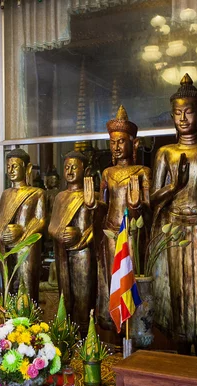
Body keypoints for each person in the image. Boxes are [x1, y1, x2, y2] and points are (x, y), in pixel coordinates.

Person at [151, 74, 197, 357]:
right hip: (172, 226)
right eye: (178, 113)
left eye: (189, 111)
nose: (183, 118)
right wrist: (174, 187)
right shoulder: (165, 153)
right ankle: (181, 349)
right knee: (178, 288)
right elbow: (152, 200)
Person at [84, 105, 151, 330]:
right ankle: (113, 325)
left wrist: (137, 205)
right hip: (110, 230)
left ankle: (134, 327)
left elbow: (149, 205)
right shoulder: (107, 173)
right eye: (112, 142)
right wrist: (94, 204)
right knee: (111, 279)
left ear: (134, 143)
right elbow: (105, 203)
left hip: (132, 231)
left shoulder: (142, 171)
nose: (116, 146)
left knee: (130, 277)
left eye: (121, 141)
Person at [48, 151, 96, 334]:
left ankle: (85, 334)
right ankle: (68, 335)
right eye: (66, 167)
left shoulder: (92, 195)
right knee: (65, 296)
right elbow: (51, 226)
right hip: (62, 252)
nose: (69, 171)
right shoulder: (60, 197)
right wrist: (60, 233)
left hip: (83, 252)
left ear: (86, 170)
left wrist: (80, 234)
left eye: (74, 167)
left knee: (83, 296)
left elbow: (97, 225)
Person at [0, 148, 45, 301]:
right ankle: (9, 318)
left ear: (27, 168)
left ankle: (28, 319)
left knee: (26, 284)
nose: (11, 170)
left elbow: (41, 220)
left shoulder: (36, 193)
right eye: (8, 166)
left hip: (27, 246)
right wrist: (2, 232)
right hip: (7, 246)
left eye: (15, 166)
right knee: (9, 284)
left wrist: (22, 232)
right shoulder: (6, 194)